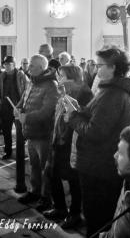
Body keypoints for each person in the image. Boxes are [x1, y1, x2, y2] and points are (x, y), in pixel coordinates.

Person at [65, 46, 130, 236]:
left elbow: (95, 132)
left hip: (98, 164)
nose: (96, 69)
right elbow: (96, 116)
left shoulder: (113, 94)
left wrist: (72, 117)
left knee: (96, 216)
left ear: (113, 67)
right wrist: (79, 110)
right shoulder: (112, 90)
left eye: (100, 65)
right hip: (101, 162)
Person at [44, 65, 92, 229]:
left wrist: (70, 117)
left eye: (62, 76)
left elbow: (85, 116)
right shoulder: (64, 90)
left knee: (73, 180)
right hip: (59, 139)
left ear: (72, 77)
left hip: (72, 142)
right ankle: (59, 208)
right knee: (53, 173)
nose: (59, 79)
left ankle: (75, 214)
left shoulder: (84, 92)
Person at [14, 54, 59, 212]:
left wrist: (27, 117)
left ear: (41, 68)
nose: (28, 68)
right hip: (31, 132)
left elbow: (47, 111)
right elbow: (24, 99)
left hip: (43, 133)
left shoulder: (51, 85)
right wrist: (18, 108)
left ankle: (46, 198)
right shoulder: (32, 81)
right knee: (33, 165)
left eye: (32, 66)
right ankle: (34, 192)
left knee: (46, 168)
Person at [0, 56, 28, 159]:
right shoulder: (1, 76)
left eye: (9, 64)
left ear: (14, 64)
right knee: (6, 130)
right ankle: (8, 151)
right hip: (5, 107)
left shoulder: (20, 75)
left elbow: (27, 89)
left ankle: (21, 152)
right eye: (6, 64)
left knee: (20, 131)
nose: (7, 66)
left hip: (18, 107)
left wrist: (24, 105)